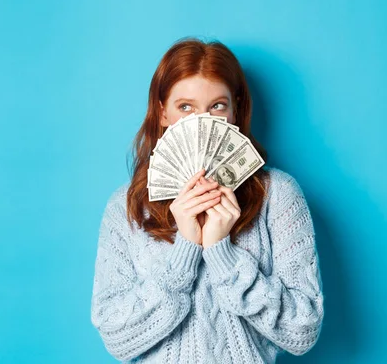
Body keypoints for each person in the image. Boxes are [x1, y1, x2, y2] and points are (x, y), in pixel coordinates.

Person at [90, 37, 325, 363]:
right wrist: (185, 249)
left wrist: (222, 255)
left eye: (217, 106)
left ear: (235, 110)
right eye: (185, 107)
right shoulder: (126, 207)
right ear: (163, 114)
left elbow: (303, 331)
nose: (202, 121)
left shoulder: (277, 195)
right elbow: (117, 339)